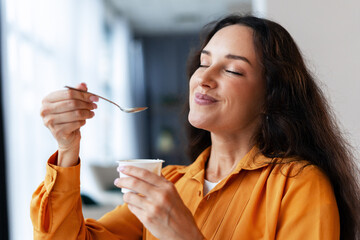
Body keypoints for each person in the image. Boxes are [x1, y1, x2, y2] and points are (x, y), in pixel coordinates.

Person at [31, 14, 360, 240]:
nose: (203, 77)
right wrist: (67, 149)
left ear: (271, 96)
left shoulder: (299, 185)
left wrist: (183, 233)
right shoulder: (170, 185)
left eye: (231, 70)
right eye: (203, 63)